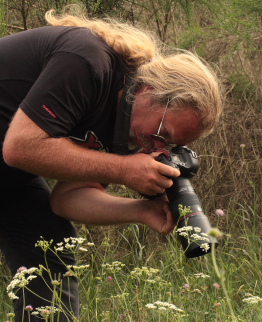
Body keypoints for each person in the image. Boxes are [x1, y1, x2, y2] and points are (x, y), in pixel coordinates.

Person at [0, 6, 222, 321]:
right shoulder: (88, 61)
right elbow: (20, 148)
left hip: (10, 175)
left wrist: (141, 211)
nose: (156, 148)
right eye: (163, 133)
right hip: (13, 154)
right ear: (151, 90)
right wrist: (121, 169)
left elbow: (66, 200)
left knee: (51, 253)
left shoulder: (127, 126)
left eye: (170, 145)